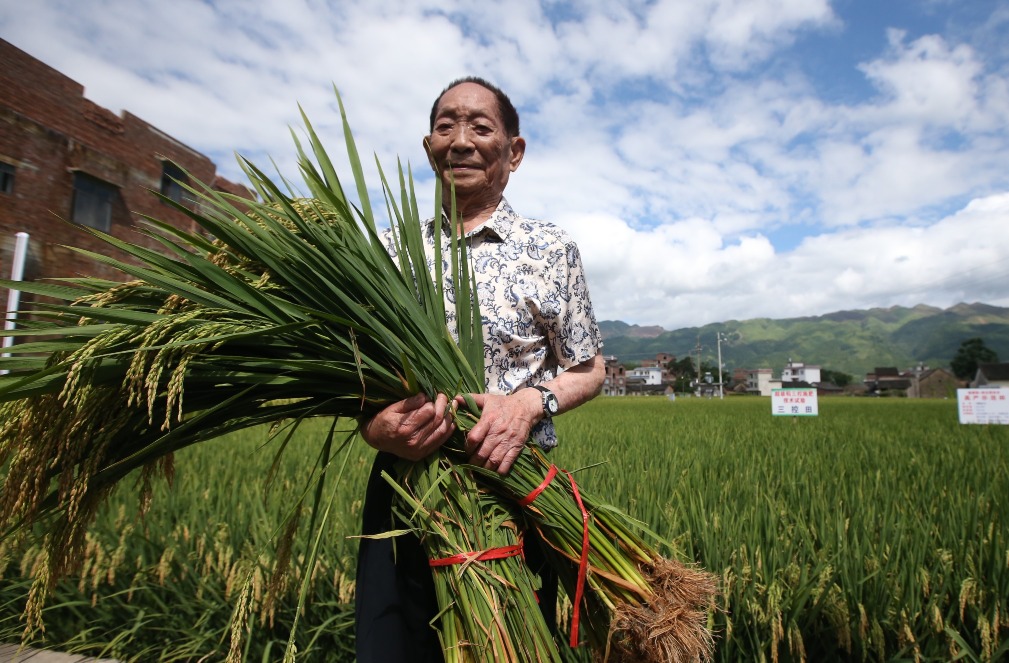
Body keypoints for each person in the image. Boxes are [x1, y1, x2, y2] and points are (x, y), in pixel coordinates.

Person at [354, 77, 605, 663]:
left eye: (480, 127)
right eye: (446, 126)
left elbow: (588, 370)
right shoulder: (388, 255)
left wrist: (525, 404)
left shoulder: (550, 249)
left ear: (513, 153)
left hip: (514, 491)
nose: (460, 141)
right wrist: (377, 429)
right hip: (406, 493)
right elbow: (359, 383)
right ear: (428, 146)